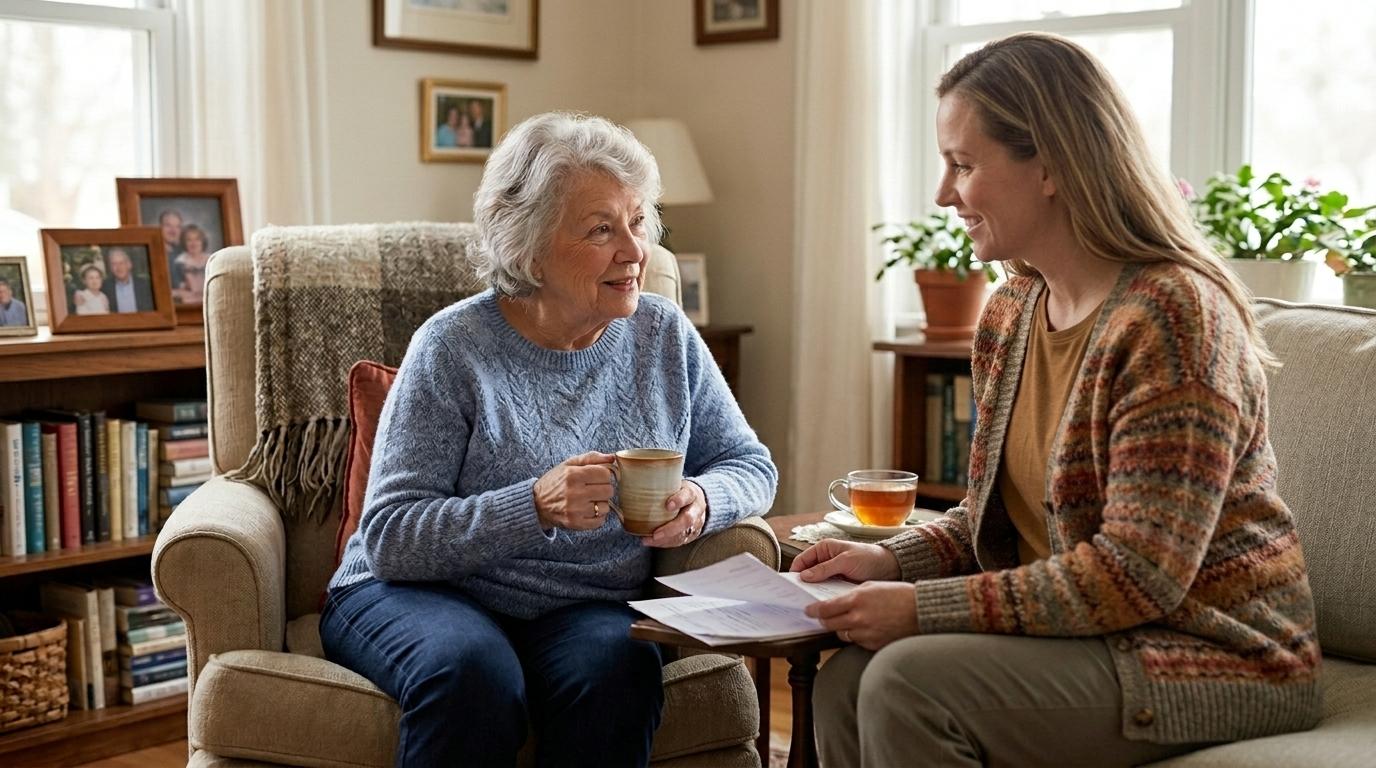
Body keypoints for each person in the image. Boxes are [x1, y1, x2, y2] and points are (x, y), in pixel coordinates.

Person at [799, 32, 1321, 767]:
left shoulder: (1173, 320)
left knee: (904, 686)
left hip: (1210, 652)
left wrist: (922, 609)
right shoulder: (1012, 312)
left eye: (962, 165)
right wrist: (890, 564)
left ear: (1048, 165)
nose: (944, 194)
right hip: (1088, 635)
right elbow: (994, 523)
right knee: (843, 684)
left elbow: (1138, 574)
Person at [319, 111, 778, 768]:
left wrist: (704, 499)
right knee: (472, 677)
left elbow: (749, 463)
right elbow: (392, 537)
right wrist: (532, 505)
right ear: (528, 248)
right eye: (601, 229)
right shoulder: (452, 348)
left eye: (638, 221)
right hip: (422, 592)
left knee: (619, 670)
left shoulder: (663, 335)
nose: (634, 250)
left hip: (583, 602)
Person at [101, 247, 154, 313]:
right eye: (114, 264)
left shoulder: (146, 285)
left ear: (129, 265)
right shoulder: (104, 287)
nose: (118, 268)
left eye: (121, 263)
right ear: (111, 268)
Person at [173, 225, 211, 304]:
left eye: (197, 239)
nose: (193, 243)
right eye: (189, 240)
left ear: (202, 241)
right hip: (189, 302)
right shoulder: (179, 263)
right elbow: (179, 288)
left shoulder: (211, 260)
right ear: (184, 243)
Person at [157, 209, 185, 288]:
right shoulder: (153, 253)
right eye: (168, 225)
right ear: (160, 227)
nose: (173, 230)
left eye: (177, 227)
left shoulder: (183, 252)